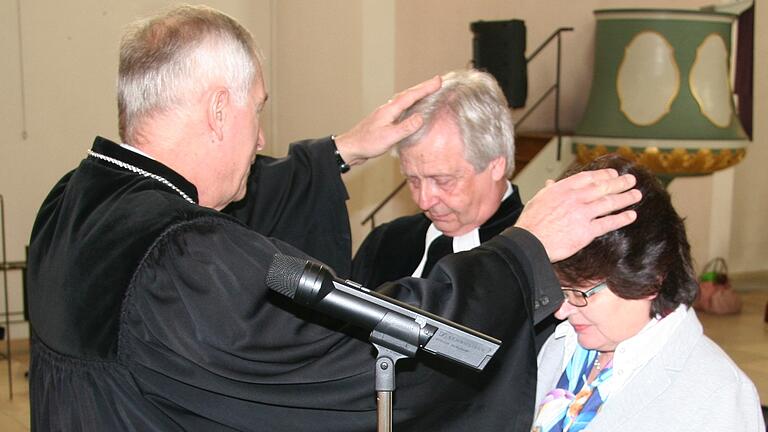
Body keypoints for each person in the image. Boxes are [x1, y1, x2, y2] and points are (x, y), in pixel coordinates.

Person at [27, 5, 640, 431]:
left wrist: (339, 153)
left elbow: (206, 207)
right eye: (256, 111)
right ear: (219, 109)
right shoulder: (181, 264)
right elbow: (353, 368)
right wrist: (523, 253)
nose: (261, 135)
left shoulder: (73, 202)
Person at [532, 155, 765, 432]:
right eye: (560, 289)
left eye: (582, 293)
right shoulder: (562, 345)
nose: (562, 311)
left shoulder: (717, 393)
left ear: (651, 277)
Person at [351, 68, 558, 350]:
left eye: (442, 180)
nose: (424, 201)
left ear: (495, 164)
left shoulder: (542, 256)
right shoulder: (385, 244)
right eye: (413, 180)